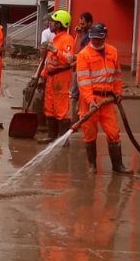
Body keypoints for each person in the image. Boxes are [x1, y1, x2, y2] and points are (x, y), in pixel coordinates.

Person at [75, 21, 131, 174]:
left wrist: (118, 92)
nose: (95, 41)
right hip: (90, 102)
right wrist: (91, 101)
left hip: (107, 101)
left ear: (105, 36)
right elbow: (83, 82)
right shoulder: (83, 56)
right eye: (93, 38)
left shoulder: (113, 52)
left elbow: (118, 75)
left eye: (99, 38)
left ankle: (118, 166)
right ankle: (92, 166)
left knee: (113, 133)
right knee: (89, 134)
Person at [42, 9, 75, 142]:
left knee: (61, 107)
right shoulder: (56, 39)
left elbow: (68, 59)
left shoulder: (67, 39)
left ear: (60, 24)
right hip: (51, 77)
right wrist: (44, 74)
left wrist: (55, 51)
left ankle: (62, 139)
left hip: (61, 76)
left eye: (53, 22)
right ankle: (51, 136)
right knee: (49, 106)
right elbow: (49, 60)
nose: (51, 24)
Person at [70, 11, 93, 119]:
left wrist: (75, 59)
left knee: (78, 94)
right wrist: (80, 32)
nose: (81, 26)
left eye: (83, 24)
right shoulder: (85, 34)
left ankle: (76, 119)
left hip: (83, 69)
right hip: (79, 66)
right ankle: (76, 118)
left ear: (89, 23)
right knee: (76, 93)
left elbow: (85, 53)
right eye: (80, 24)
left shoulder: (90, 37)